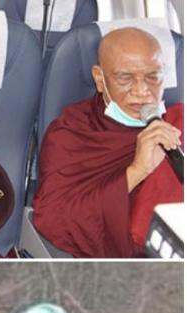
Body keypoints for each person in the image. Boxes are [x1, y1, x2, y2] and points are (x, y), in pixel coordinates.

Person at [33, 27, 183, 258]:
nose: (143, 91)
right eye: (125, 78)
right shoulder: (71, 132)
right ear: (99, 79)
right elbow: (53, 219)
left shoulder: (179, 122)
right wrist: (136, 172)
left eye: (153, 77)